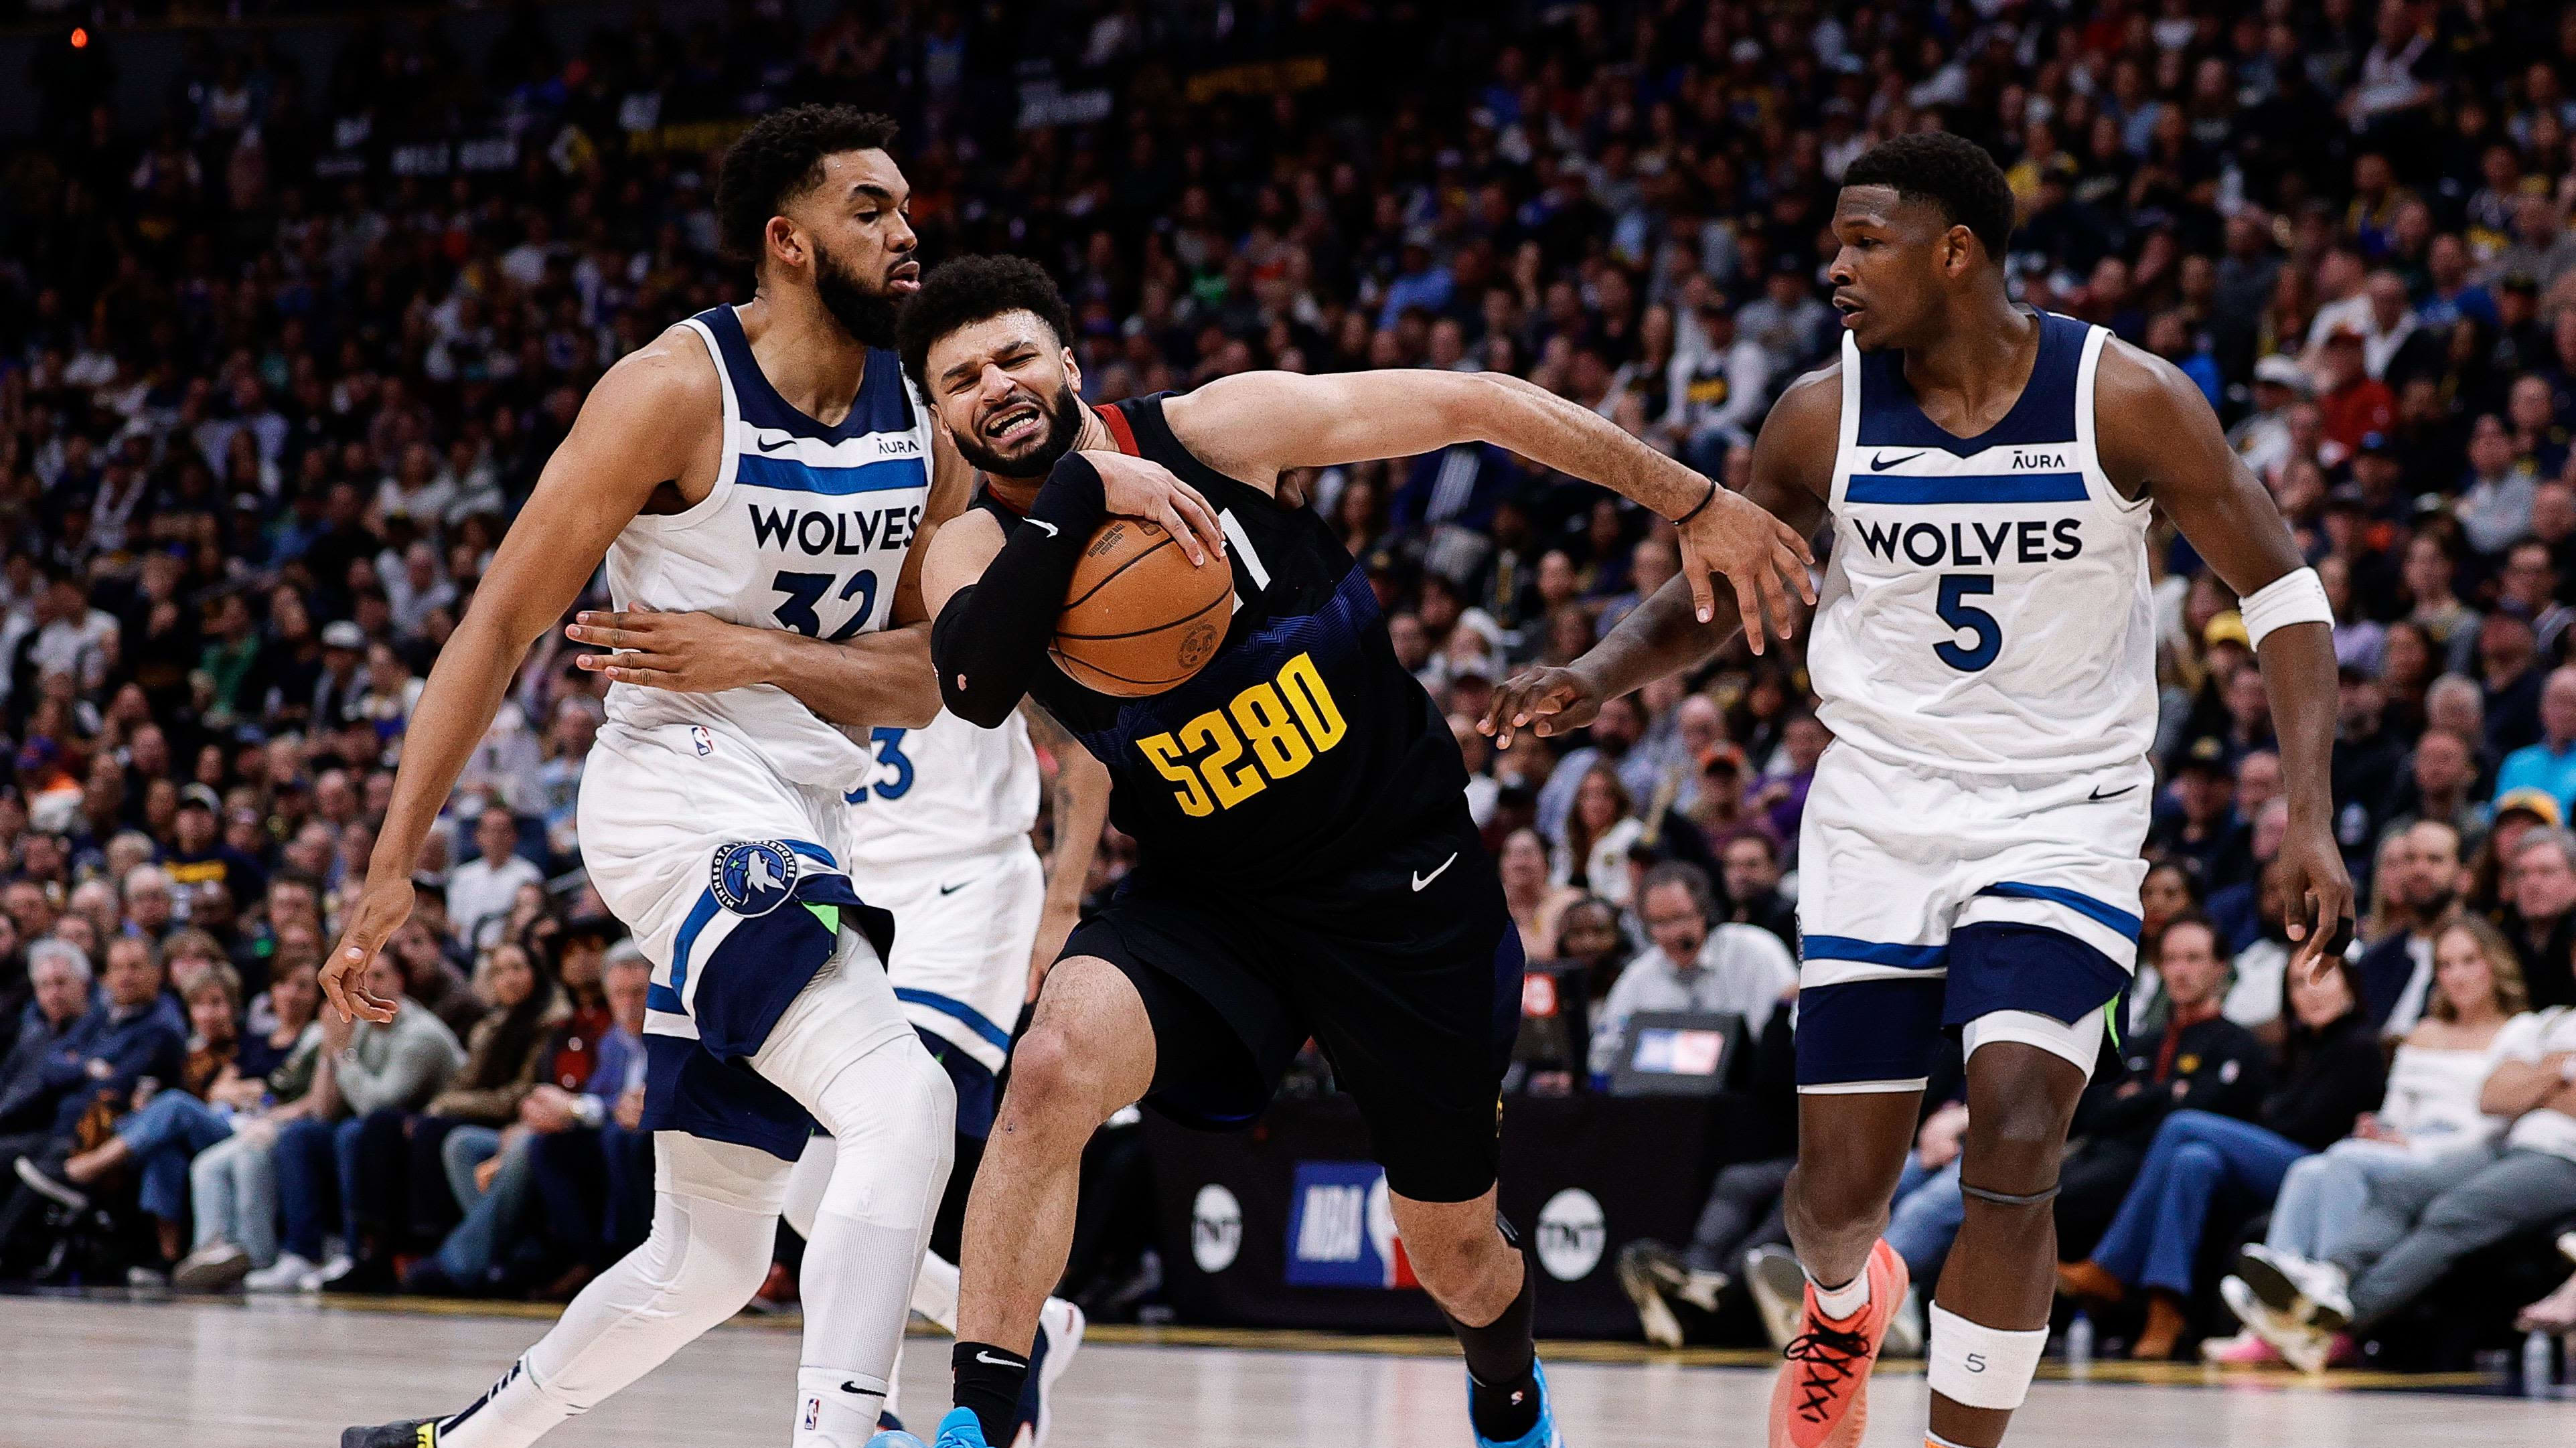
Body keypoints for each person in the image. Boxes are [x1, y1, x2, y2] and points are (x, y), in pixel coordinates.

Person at [1481, 133, 2349, 1448]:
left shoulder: (2126, 397)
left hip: (2063, 810)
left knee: (2012, 1131)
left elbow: (2281, 591)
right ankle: (1846, 1301)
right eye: (1834, 241)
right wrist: (1593, 679)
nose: (1834, 267)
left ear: (1957, 253)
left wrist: (2309, 811)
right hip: (1879, 809)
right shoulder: (1819, 412)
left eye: (1864, 241)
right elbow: (1724, 584)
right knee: (1835, 1200)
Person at [895, 252, 1807, 1448]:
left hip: (1400, 885)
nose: (993, 385)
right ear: (941, 414)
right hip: (1212, 897)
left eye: (1014, 355)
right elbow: (970, 683)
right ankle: (982, 1421)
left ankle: (1509, 1395)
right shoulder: (972, 551)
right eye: (960, 378)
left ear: (1067, 361)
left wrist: (1694, 501)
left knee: (1453, 1251)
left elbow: (1480, 400)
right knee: (1052, 1065)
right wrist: (1081, 493)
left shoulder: (1219, 431)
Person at [328, 106, 972, 1448]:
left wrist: (755, 649)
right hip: (678, 791)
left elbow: (924, 678)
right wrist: (395, 863)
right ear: (788, 241)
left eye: (908, 208)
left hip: (805, 811)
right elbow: (499, 622)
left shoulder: (922, 416)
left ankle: (460, 1445)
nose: (909, 233)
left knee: (712, 1254)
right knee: (901, 1100)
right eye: (873, 209)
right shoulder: (676, 387)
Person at [2213, 916, 2525, 1364]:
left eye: (2468, 961)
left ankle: (2326, 1315)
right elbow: (2397, 1110)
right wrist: (2381, 1130)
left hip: (2461, 1157)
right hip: (2404, 1147)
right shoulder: (2424, 1031)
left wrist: (2410, 1147)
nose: (2456, 974)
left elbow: (2496, 1124)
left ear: (2493, 965)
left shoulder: (2519, 1031)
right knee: (2308, 1168)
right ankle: (2271, 1318)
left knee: (2341, 1160)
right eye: (2445, 964)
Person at [2053, 954, 2383, 1360]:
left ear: (2350, 984)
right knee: (2194, 1161)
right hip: (2282, 1158)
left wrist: (2262, 1122)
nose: (2310, 992)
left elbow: (2305, 1127)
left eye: (2322, 979)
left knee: (2184, 1126)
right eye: (2297, 983)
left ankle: (2111, 1267)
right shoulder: (2297, 1048)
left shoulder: (2359, 1046)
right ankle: (2165, 1311)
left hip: (2316, 1169)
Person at [2234, 995, 2576, 1372]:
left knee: (2455, 1212)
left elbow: (2542, 1098)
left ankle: (2338, 1322)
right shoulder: (2551, 1020)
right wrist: (2561, 1075)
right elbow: (2492, 1096)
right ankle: (2331, 1275)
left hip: (2564, 1158)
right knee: (2402, 1189)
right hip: (2508, 1144)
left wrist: (2538, 1078)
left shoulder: (2543, 1037)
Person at [1587, 862, 1797, 1079]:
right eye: (1659, 923)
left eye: (1680, 918)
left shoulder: (1754, 951)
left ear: (1703, 912)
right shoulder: (1640, 975)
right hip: (1665, 1098)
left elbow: (1787, 1038)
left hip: (1750, 1089)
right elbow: (1602, 1056)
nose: (1673, 933)